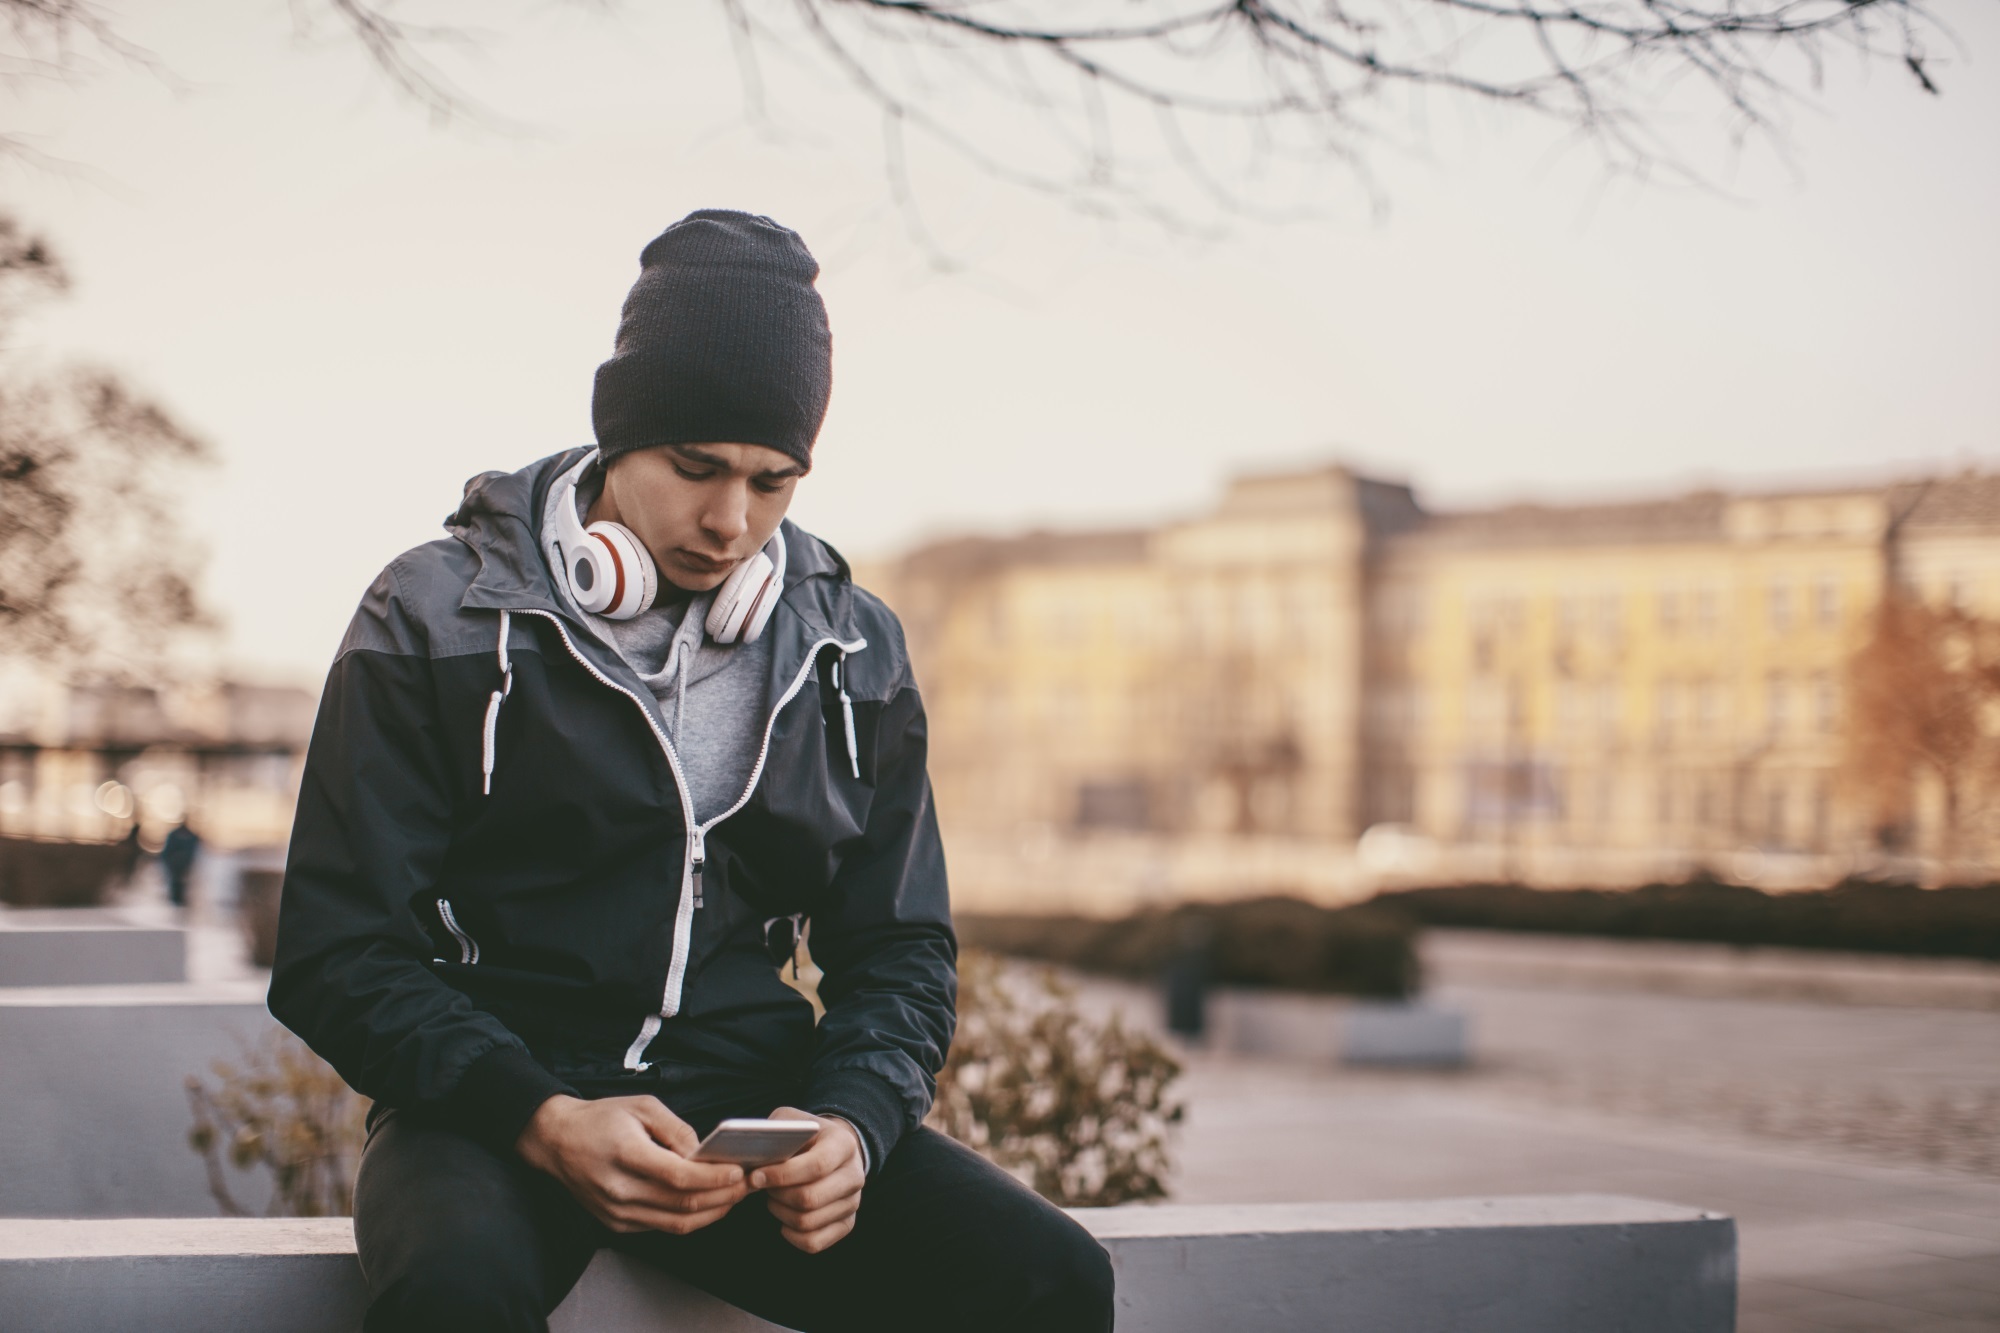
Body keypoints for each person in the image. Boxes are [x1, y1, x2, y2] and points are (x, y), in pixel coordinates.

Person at [269, 210, 1113, 1333]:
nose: (730, 523)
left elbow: (900, 944)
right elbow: (336, 947)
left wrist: (850, 1125)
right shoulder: (433, 613)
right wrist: (541, 1115)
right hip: (490, 1101)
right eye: (696, 467)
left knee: (1049, 1279)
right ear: (617, 434)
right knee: (449, 1294)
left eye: (773, 482)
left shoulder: (853, 649)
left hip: (746, 1115)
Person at [159, 819, 200, 909]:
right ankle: (175, 899)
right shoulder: (175, 835)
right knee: (176, 880)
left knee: (182, 881)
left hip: (183, 863)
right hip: (175, 863)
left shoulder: (191, 836)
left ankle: (179, 898)